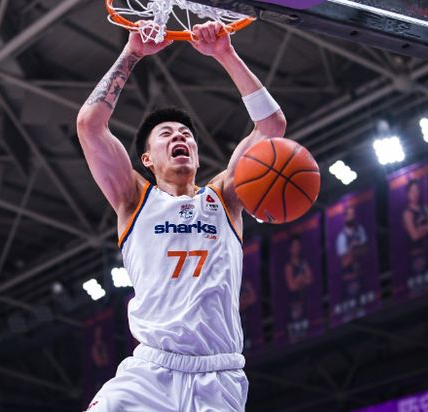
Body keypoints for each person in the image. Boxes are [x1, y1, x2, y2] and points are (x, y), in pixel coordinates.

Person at [76, 21, 286, 411]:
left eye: (186, 134)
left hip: (218, 375)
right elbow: (90, 126)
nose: (180, 137)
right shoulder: (133, 199)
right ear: (146, 159)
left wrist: (225, 53)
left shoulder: (225, 197)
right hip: (150, 371)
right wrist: (132, 53)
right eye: (167, 134)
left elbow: (272, 126)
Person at [402, 179, 428, 294]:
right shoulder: (407, 213)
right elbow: (414, 236)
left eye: (417, 190)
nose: (415, 193)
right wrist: (427, 227)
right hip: (415, 254)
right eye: (412, 191)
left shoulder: (424, 207)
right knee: (419, 289)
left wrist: (422, 228)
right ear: (408, 194)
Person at [334, 205, 368, 319]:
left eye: (353, 214)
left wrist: (353, 251)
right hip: (349, 278)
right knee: (350, 311)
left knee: (364, 308)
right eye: (349, 215)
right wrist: (354, 250)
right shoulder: (341, 237)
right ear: (345, 217)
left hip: (361, 274)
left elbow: (365, 249)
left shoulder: (360, 230)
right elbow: (344, 261)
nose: (351, 217)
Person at [284, 235, 312, 340]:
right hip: (294, 302)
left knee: (307, 330)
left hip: (304, 298)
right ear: (290, 249)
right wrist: (302, 279)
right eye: (294, 246)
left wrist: (299, 280)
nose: (297, 248)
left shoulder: (303, 263)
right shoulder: (289, 266)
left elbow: (310, 279)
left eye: (298, 246)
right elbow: (292, 286)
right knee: (296, 331)